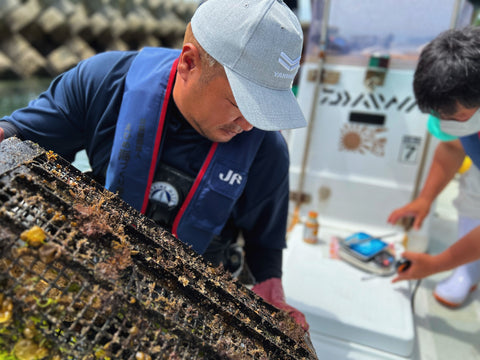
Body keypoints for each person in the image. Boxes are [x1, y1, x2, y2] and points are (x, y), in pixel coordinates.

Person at [0, 0, 309, 330]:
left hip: (187, 307)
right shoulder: (103, 82)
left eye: (264, 110)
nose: (249, 125)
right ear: (189, 63)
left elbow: (265, 249)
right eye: (241, 104)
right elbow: (16, 136)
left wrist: (272, 291)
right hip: (88, 270)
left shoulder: (267, 152)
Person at [387, 26, 480, 307]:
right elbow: (451, 147)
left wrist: (436, 264)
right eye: (441, 115)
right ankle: (468, 270)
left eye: (458, 116)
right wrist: (425, 199)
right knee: (470, 202)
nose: (446, 123)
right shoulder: (457, 113)